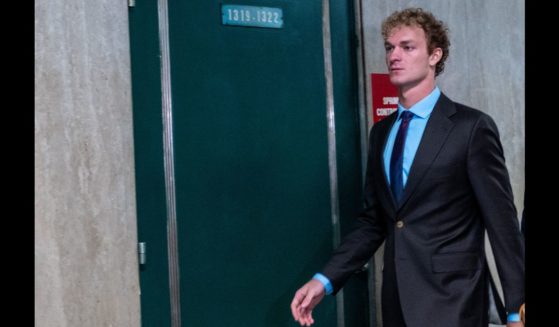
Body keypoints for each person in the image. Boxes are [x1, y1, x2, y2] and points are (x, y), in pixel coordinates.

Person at [290, 7, 524, 327]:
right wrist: (325, 280)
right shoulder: (382, 133)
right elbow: (375, 221)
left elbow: (503, 224)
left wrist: (517, 309)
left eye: (407, 46)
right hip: (397, 303)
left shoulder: (471, 128)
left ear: (434, 55)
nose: (394, 55)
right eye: (389, 47)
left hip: (456, 301)